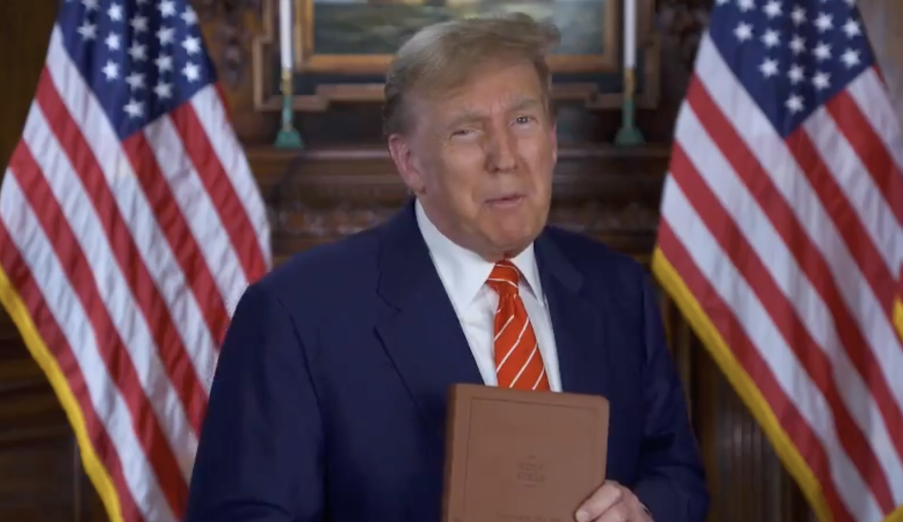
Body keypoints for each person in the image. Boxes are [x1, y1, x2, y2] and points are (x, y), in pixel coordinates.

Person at [184, 13, 709, 522]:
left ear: (551, 141)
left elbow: (676, 472)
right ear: (410, 162)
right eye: (467, 131)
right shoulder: (295, 315)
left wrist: (644, 510)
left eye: (522, 121)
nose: (505, 157)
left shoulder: (618, 290)